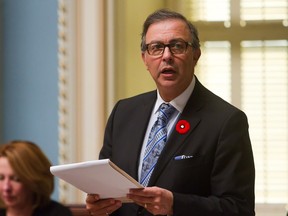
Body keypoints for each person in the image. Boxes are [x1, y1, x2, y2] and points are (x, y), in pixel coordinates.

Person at [86, 8, 255, 216]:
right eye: (156, 47)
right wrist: (98, 206)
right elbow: (106, 189)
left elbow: (239, 209)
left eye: (177, 46)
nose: (167, 56)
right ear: (145, 59)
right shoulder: (124, 112)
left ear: (196, 54)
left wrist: (176, 205)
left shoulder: (226, 121)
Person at [0, 140, 73, 216]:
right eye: (1, 178)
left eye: (16, 179)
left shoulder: (59, 213)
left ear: (34, 181)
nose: (6, 188)